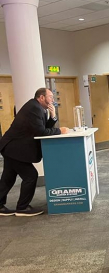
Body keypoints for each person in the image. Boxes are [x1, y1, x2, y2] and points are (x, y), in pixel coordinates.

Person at [0, 87, 69, 217]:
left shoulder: (37, 107)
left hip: (11, 147)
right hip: (14, 148)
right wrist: (60, 130)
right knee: (30, 175)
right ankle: (22, 208)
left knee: (8, 178)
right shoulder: (34, 108)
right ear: (41, 97)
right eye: (50, 96)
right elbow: (41, 132)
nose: (52, 99)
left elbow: (42, 128)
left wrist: (53, 116)